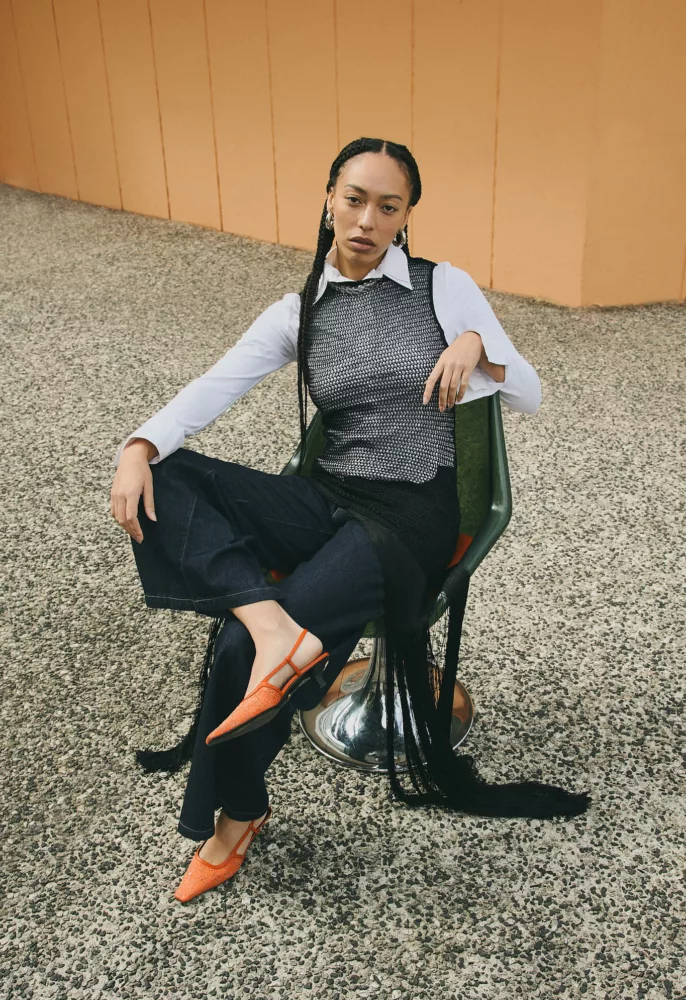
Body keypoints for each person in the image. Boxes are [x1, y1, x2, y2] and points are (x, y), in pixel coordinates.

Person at [111, 137, 591, 903]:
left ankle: (236, 816)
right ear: (329, 197)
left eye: (388, 206)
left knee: (235, 647)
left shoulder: (442, 285)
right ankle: (275, 628)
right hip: (327, 497)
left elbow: (527, 390)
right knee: (165, 475)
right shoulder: (299, 309)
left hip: (407, 516)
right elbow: (214, 385)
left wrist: (477, 342)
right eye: (355, 198)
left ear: (406, 216)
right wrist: (138, 443)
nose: (368, 219)